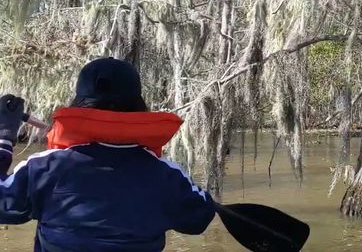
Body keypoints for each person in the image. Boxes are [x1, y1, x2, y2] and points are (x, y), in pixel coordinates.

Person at [0, 57, 216, 251]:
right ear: (138, 108)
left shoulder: (44, 169)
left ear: (78, 106)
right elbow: (198, 218)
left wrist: (4, 138)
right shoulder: (167, 175)